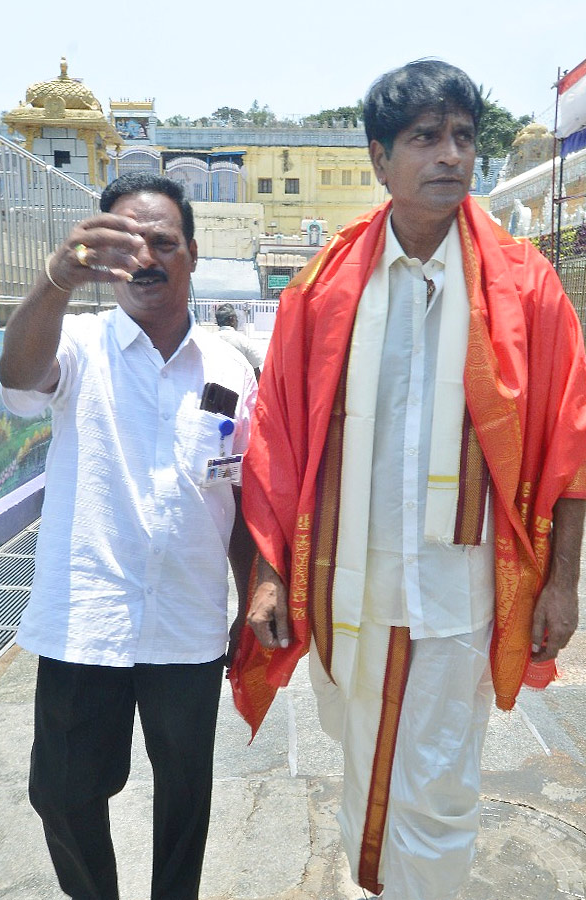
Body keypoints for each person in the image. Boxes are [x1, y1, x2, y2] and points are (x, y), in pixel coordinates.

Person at [229, 60, 586, 900]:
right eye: (426, 137)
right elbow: (276, 440)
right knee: (360, 752)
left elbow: (572, 442)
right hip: (346, 581)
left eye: (463, 136)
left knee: (441, 775)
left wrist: (564, 585)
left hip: (462, 587)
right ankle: (374, 886)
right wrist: (270, 575)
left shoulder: (527, 286)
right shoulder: (322, 291)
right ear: (379, 158)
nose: (450, 155)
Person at [0, 172, 257, 900]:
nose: (145, 259)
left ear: (194, 254)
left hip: (186, 626)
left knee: (185, 799)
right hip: (87, 622)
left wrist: (256, 589)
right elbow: (17, 377)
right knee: (64, 794)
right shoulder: (77, 345)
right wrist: (56, 277)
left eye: (163, 242)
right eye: (125, 244)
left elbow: (237, 488)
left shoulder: (229, 366)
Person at [215, 302, 264, 380]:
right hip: (239, 386)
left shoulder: (210, 340)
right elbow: (256, 369)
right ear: (232, 320)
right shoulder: (243, 341)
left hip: (214, 386)